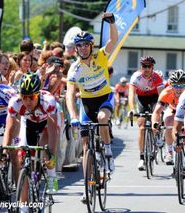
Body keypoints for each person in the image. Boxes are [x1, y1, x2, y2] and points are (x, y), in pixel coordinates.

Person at [66, 12, 118, 202]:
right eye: (79, 45)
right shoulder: (74, 69)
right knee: (86, 146)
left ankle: (109, 152)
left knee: (103, 119)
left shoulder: (101, 56)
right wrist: (73, 116)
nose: (83, 48)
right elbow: (70, 95)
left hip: (104, 97)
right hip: (87, 104)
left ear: (91, 46)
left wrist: (111, 22)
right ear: (76, 49)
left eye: (86, 44)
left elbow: (113, 39)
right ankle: (86, 186)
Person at [3, 73, 58, 205]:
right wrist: (5, 150)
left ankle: (51, 176)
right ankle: (24, 205)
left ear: (38, 94)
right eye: (24, 97)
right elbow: (9, 129)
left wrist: (51, 154)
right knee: (21, 159)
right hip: (28, 123)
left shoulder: (48, 101)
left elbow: (52, 132)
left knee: (46, 150)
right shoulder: (14, 102)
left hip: (46, 124)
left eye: (31, 97)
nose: (27, 101)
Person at [128, 56, 164, 170]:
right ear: (141, 67)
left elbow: (162, 96)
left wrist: (161, 110)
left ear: (153, 67)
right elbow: (131, 94)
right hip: (141, 98)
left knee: (156, 113)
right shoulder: (136, 77)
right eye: (144, 66)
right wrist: (132, 108)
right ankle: (142, 157)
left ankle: (157, 133)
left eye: (149, 66)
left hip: (154, 97)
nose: (146, 69)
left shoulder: (157, 77)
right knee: (142, 127)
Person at [151, 69, 185, 165]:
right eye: (175, 86)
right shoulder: (166, 92)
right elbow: (157, 111)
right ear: (171, 85)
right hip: (172, 109)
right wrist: (154, 123)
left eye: (182, 86)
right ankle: (169, 151)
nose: (179, 89)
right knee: (168, 122)